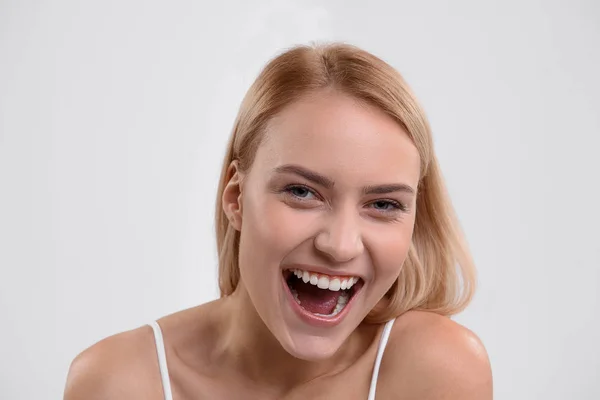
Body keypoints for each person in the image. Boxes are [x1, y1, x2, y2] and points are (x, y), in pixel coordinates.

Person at [64, 42, 492, 399]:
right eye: (302, 192)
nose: (341, 245)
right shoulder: (118, 382)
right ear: (236, 197)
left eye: (382, 205)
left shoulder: (435, 370)